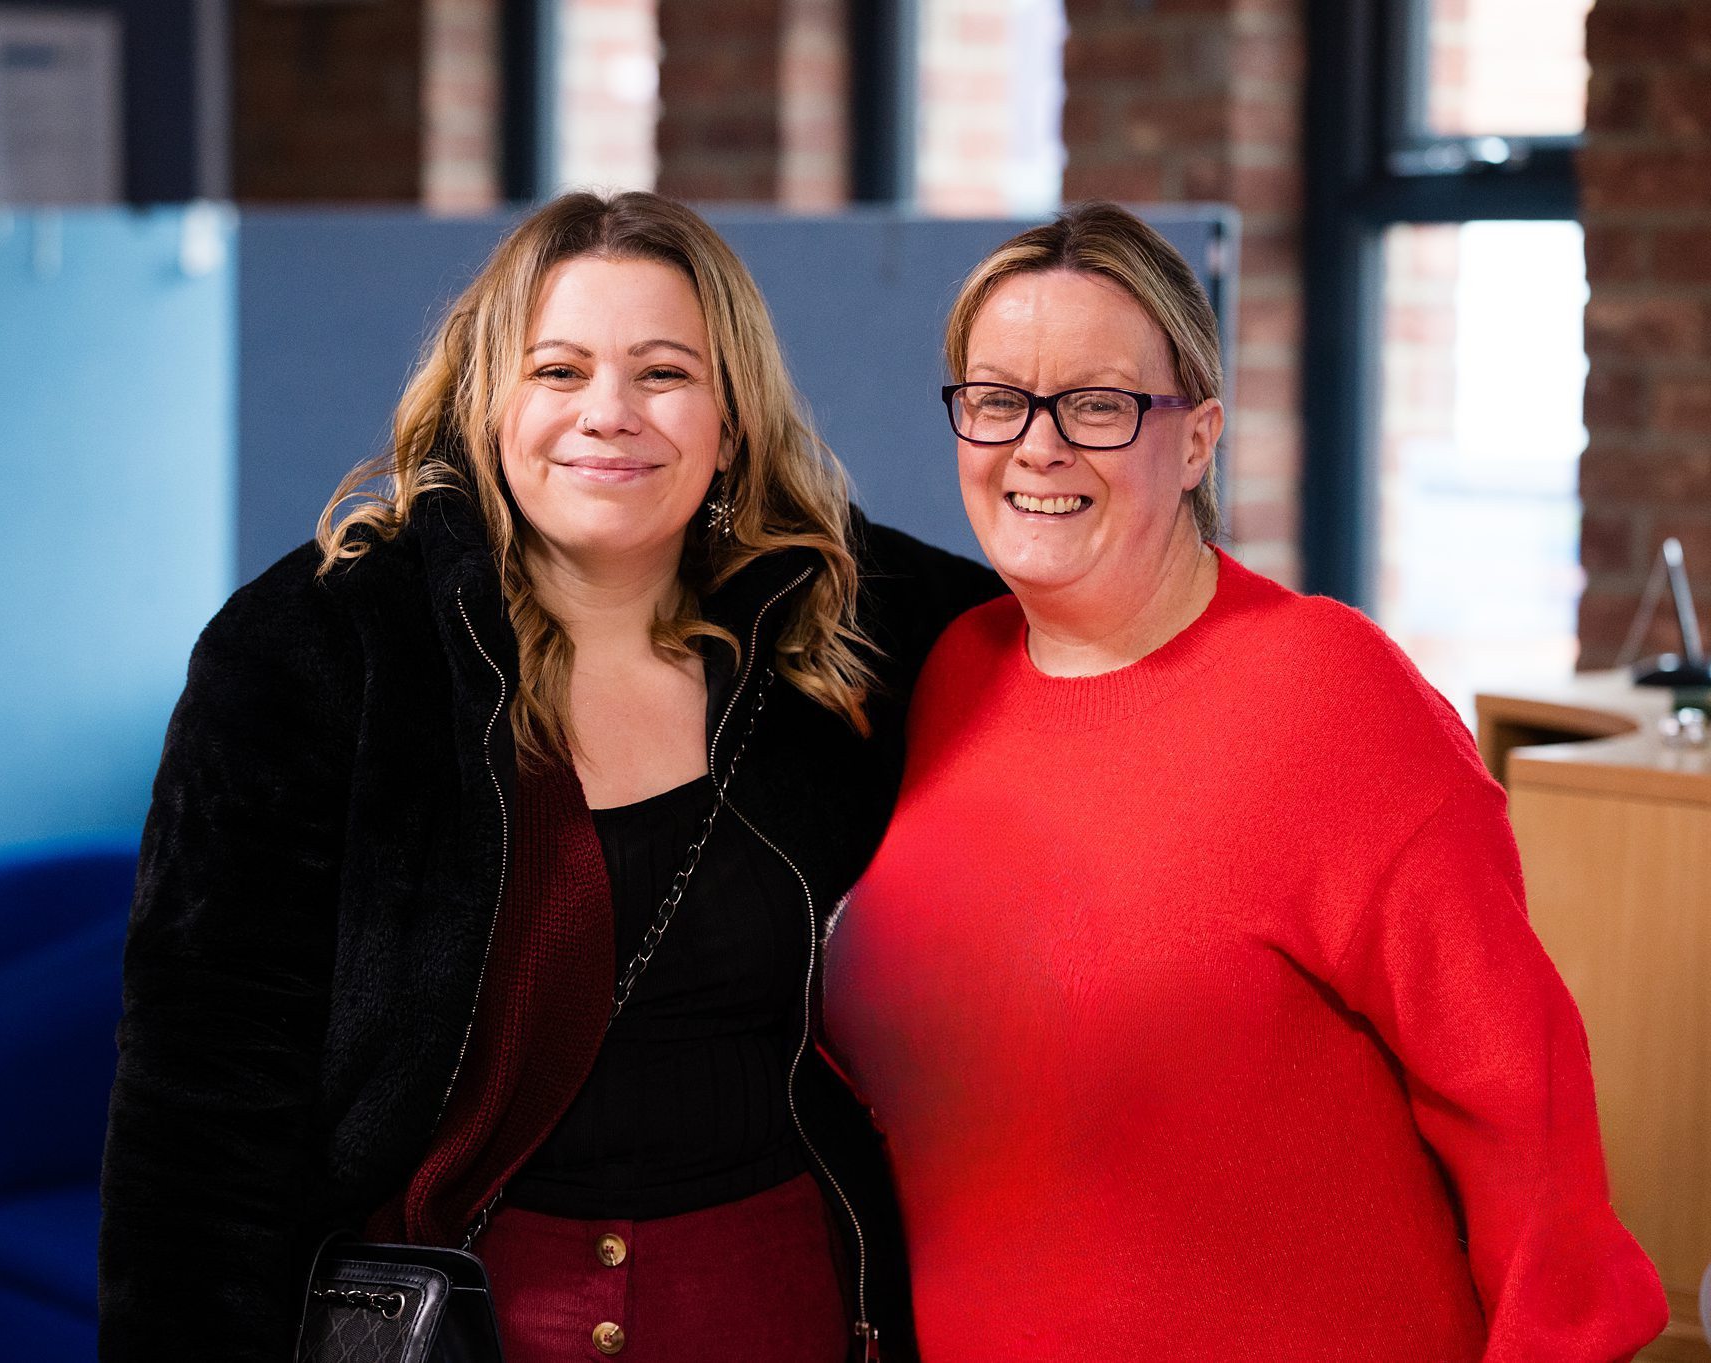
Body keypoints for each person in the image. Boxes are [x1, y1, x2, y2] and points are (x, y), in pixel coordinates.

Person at [99, 190, 999, 1363]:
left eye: (664, 372)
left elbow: (1082, 607)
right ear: (488, 401)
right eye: (558, 369)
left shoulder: (836, 621)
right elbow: (199, 1111)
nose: (608, 415)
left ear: (732, 416)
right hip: (458, 1319)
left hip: (776, 1303)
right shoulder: (316, 654)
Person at [822, 201, 1669, 1361]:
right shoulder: (949, 676)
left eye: (1099, 404)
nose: (1038, 443)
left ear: (1196, 439)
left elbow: (1521, 1107)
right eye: (996, 398)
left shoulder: (1328, 693)